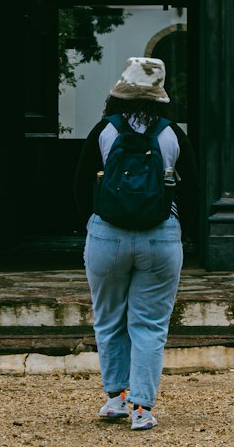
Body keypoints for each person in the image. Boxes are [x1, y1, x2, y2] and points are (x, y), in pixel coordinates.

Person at [73, 56, 198, 431]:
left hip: (107, 235)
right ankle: (142, 408)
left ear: (119, 95)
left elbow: (80, 186)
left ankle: (115, 399)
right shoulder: (172, 134)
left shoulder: (103, 130)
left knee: (109, 319)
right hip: (160, 237)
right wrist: (179, 231)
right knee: (150, 324)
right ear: (159, 98)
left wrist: (94, 225)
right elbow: (192, 191)